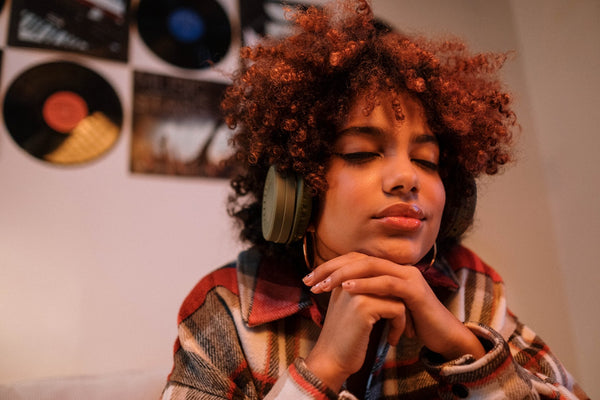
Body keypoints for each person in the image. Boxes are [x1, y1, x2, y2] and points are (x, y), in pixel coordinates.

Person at [161, 1, 588, 398]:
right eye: (362, 153)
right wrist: (322, 371)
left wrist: (465, 349)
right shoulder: (228, 307)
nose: (407, 178)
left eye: (427, 159)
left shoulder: (469, 288)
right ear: (296, 190)